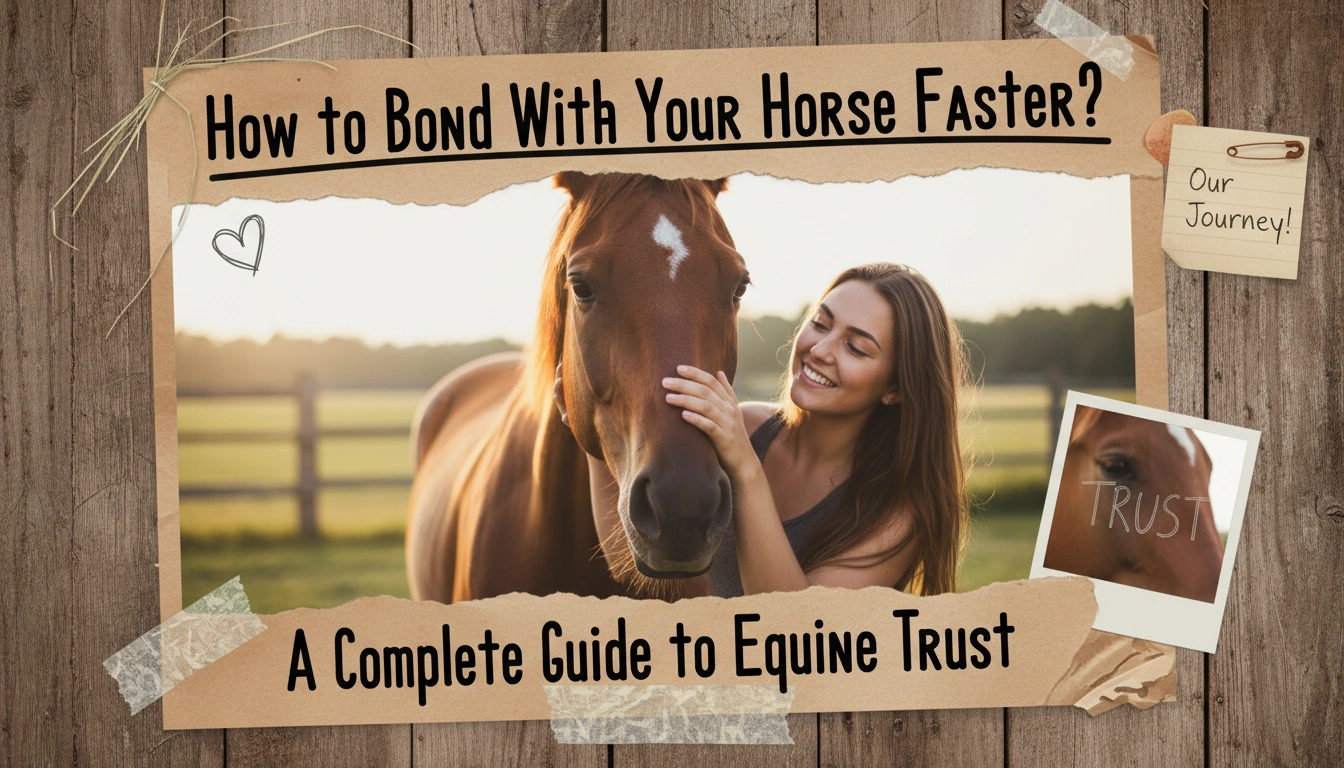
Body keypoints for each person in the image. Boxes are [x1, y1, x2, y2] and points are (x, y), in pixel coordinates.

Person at [582, 262, 971, 597]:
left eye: (856, 348)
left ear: (895, 388)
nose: (819, 350)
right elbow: (634, 560)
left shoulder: (896, 513)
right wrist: (593, 439)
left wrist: (746, 468)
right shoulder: (743, 426)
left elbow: (795, 634)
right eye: (820, 324)